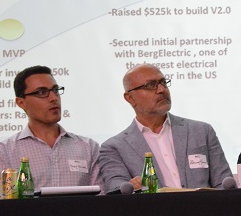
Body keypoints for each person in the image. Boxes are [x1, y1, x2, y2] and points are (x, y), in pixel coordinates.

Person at [98, 64, 232, 193]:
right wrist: (132, 186)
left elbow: (224, 183)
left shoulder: (201, 131)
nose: (161, 90)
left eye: (163, 82)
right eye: (151, 85)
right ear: (130, 98)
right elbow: (116, 186)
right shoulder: (114, 148)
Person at [0, 65, 101, 190]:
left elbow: (100, 198)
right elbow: (4, 203)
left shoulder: (88, 147)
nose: (53, 98)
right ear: (21, 103)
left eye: (56, 90)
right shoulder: (5, 152)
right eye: (42, 92)